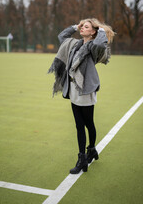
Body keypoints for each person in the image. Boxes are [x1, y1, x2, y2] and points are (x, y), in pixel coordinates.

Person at [48, 18, 115, 174]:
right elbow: (61, 37)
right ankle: (83, 158)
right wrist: (75, 26)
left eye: (86, 27)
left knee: (88, 123)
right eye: (82, 27)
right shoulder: (75, 44)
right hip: (73, 89)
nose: (82, 29)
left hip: (85, 90)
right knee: (79, 125)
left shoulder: (93, 47)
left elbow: (99, 44)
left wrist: (101, 31)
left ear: (93, 32)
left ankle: (90, 150)